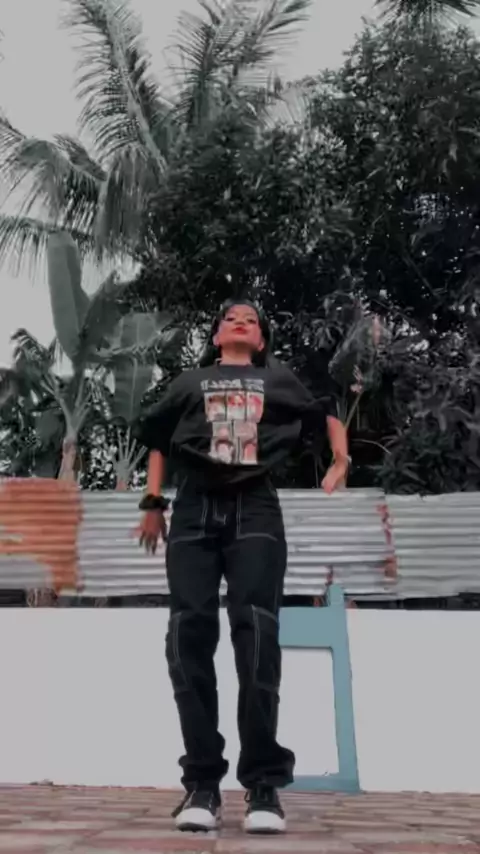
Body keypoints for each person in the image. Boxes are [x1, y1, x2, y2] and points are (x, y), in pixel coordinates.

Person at [136, 300, 349, 835]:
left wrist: (341, 459)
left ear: (260, 341)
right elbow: (159, 436)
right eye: (230, 317)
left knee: (257, 635)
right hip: (194, 508)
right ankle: (202, 784)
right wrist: (152, 503)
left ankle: (262, 785)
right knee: (187, 635)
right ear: (215, 336)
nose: (240, 321)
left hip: (255, 507)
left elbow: (325, 409)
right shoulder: (190, 382)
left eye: (251, 320)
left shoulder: (277, 380)